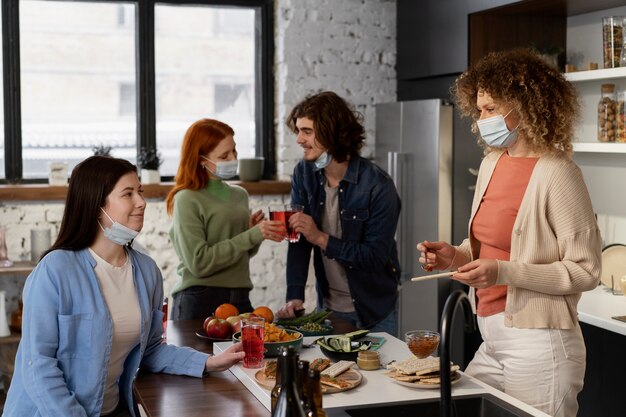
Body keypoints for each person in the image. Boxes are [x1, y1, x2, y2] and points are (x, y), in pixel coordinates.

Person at [417, 48, 601, 417]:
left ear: (524, 106)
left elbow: (586, 270)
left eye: (491, 109)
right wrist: (454, 255)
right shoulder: (491, 163)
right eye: (479, 109)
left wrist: (503, 272)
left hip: (540, 344)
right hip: (492, 337)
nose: (481, 118)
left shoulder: (558, 173)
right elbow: (489, 247)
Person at [3, 156, 246, 417]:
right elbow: (37, 365)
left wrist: (209, 362)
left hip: (114, 409)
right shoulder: (55, 271)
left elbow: (150, 350)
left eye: (140, 191)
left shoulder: (146, 272)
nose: (141, 202)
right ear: (97, 205)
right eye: (128, 194)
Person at [276, 91, 401, 335]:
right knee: (330, 373)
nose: (299, 140)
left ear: (332, 133)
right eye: (298, 131)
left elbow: (374, 257)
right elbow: (299, 238)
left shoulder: (378, 185)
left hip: (373, 310)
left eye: (307, 131)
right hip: (329, 308)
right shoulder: (304, 173)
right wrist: (295, 296)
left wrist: (320, 237)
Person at [166, 118, 283, 320]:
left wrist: (253, 235)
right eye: (224, 155)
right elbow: (199, 263)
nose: (233, 159)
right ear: (201, 159)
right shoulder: (187, 198)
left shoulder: (240, 194)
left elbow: (241, 254)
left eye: (234, 151)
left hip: (240, 297)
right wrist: (251, 236)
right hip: (199, 298)